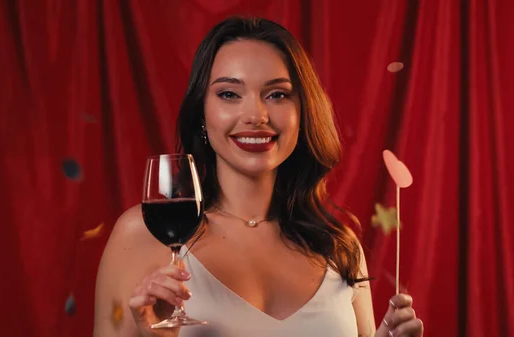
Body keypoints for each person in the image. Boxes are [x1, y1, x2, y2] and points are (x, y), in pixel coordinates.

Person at [94, 16, 423, 337]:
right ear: (202, 115)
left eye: (277, 94)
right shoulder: (141, 236)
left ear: (302, 113)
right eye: (229, 94)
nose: (255, 115)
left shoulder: (340, 247)